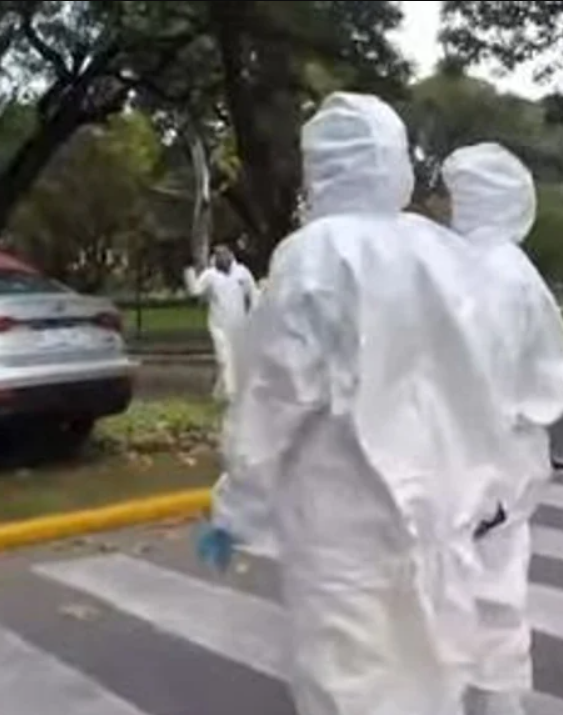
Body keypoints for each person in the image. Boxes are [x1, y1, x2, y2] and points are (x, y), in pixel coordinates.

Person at [196, 93, 523, 715]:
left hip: (341, 518)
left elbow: (275, 399)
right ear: (395, 162)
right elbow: (488, 379)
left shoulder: (313, 256)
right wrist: (489, 485)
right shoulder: (446, 255)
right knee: (431, 670)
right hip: (438, 516)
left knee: (346, 681)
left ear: (320, 166)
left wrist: (234, 510)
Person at [439, 143, 563, 715]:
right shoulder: (520, 277)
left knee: (461, 594)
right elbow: (548, 384)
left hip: (468, 461)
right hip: (506, 463)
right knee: (496, 592)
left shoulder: (456, 273)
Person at [184, 244, 257, 401]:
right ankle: (233, 395)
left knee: (234, 360)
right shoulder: (210, 275)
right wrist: (189, 273)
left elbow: (253, 294)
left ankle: (218, 393)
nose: (222, 258)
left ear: (231, 255)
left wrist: (254, 315)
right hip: (218, 326)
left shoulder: (242, 272)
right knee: (224, 358)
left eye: (224, 254)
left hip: (239, 325)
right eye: (218, 255)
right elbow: (196, 291)